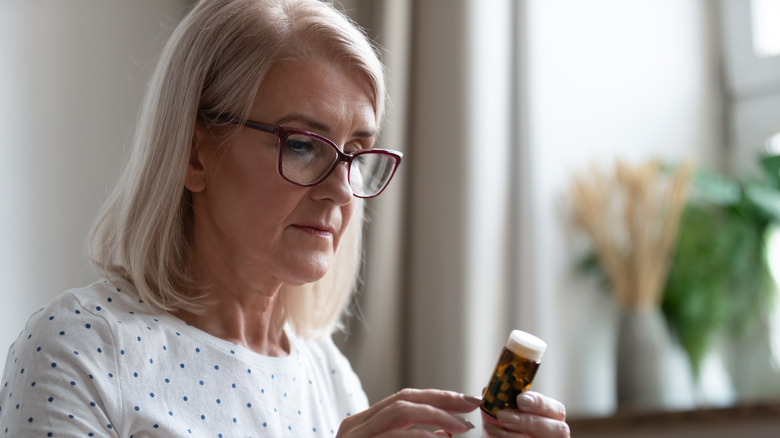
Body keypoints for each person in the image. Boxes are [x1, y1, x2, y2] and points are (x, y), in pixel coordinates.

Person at [0, 0, 570, 436]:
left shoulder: (327, 376)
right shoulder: (80, 347)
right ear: (195, 154)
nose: (341, 192)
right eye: (303, 145)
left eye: (356, 153)